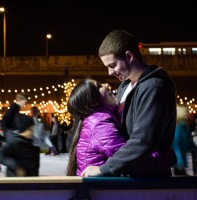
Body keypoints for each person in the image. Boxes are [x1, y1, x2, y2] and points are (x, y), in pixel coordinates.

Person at [81, 30, 177, 177]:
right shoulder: (124, 87)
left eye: (112, 65)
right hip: (129, 174)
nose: (109, 72)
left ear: (129, 56)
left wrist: (104, 169)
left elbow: (143, 141)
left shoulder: (154, 87)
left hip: (149, 180)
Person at [67, 78, 176, 176]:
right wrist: (167, 156)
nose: (106, 84)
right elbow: (129, 163)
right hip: (105, 191)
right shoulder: (101, 126)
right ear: (94, 102)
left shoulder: (98, 121)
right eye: (99, 86)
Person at [172, 104, 190, 175]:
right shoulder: (178, 127)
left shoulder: (185, 126)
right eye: (186, 112)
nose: (188, 113)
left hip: (182, 160)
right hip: (179, 162)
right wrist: (180, 161)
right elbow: (176, 145)